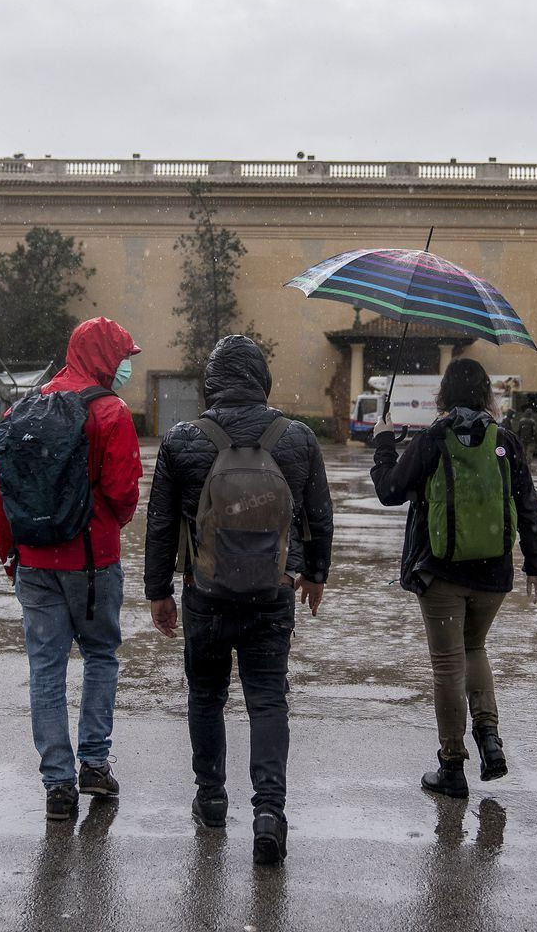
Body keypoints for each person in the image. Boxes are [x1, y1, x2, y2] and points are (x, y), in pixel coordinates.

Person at [144, 335, 334, 865]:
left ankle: (211, 800)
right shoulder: (296, 438)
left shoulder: (183, 440)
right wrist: (315, 575)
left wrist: (157, 591)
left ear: (211, 383)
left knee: (206, 697)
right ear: (262, 380)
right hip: (273, 594)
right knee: (268, 699)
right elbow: (318, 514)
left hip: (203, 596)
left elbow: (160, 525)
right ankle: (269, 812)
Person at [0, 317, 143, 821]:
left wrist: (12, 555)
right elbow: (123, 495)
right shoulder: (112, 412)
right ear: (104, 356)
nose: (125, 368)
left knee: (46, 669)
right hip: (93, 564)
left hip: (33, 561)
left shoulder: (23, 408)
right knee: (100, 655)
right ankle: (93, 763)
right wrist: (103, 525)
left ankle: (57, 784)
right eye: (123, 358)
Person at [369, 357, 537, 798]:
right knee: (475, 648)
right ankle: (489, 737)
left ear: (443, 394)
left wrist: (383, 444)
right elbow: (527, 504)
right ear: (487, 394)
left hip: (441, 572)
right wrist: (536, 564)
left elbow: (390, 491)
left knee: (448, 664)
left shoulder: (435, 438)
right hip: (494, 573)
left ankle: (452, 766)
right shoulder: (504, 441)